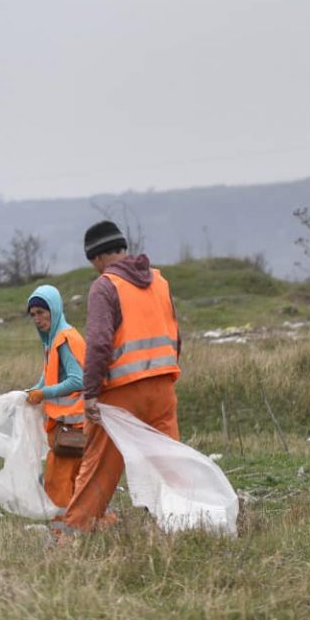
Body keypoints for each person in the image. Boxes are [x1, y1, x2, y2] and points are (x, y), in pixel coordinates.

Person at [52, 220, 181, 536]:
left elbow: (98, 342)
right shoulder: (160, 282)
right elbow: (177, 335)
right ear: (122, 248)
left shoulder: (105, 285)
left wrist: (91, 392)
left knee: (99, 467)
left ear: (96, 258)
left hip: (121, 393)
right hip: (163, 387)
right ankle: (184, 525)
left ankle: (72, 534)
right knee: (170, 466)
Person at [24, 285, 86, 507]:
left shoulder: (64, 339)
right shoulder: (52, 340)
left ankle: (63, 533)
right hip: (70, 426)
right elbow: (47, 377)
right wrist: (32, 391)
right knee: (79, 481)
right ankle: (92, 524)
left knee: (57, 482)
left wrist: (43, 393)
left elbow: (78, 380)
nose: (37, 319)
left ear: (54, 309)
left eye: (41, 312)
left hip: (74, 427)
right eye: (33, 315)